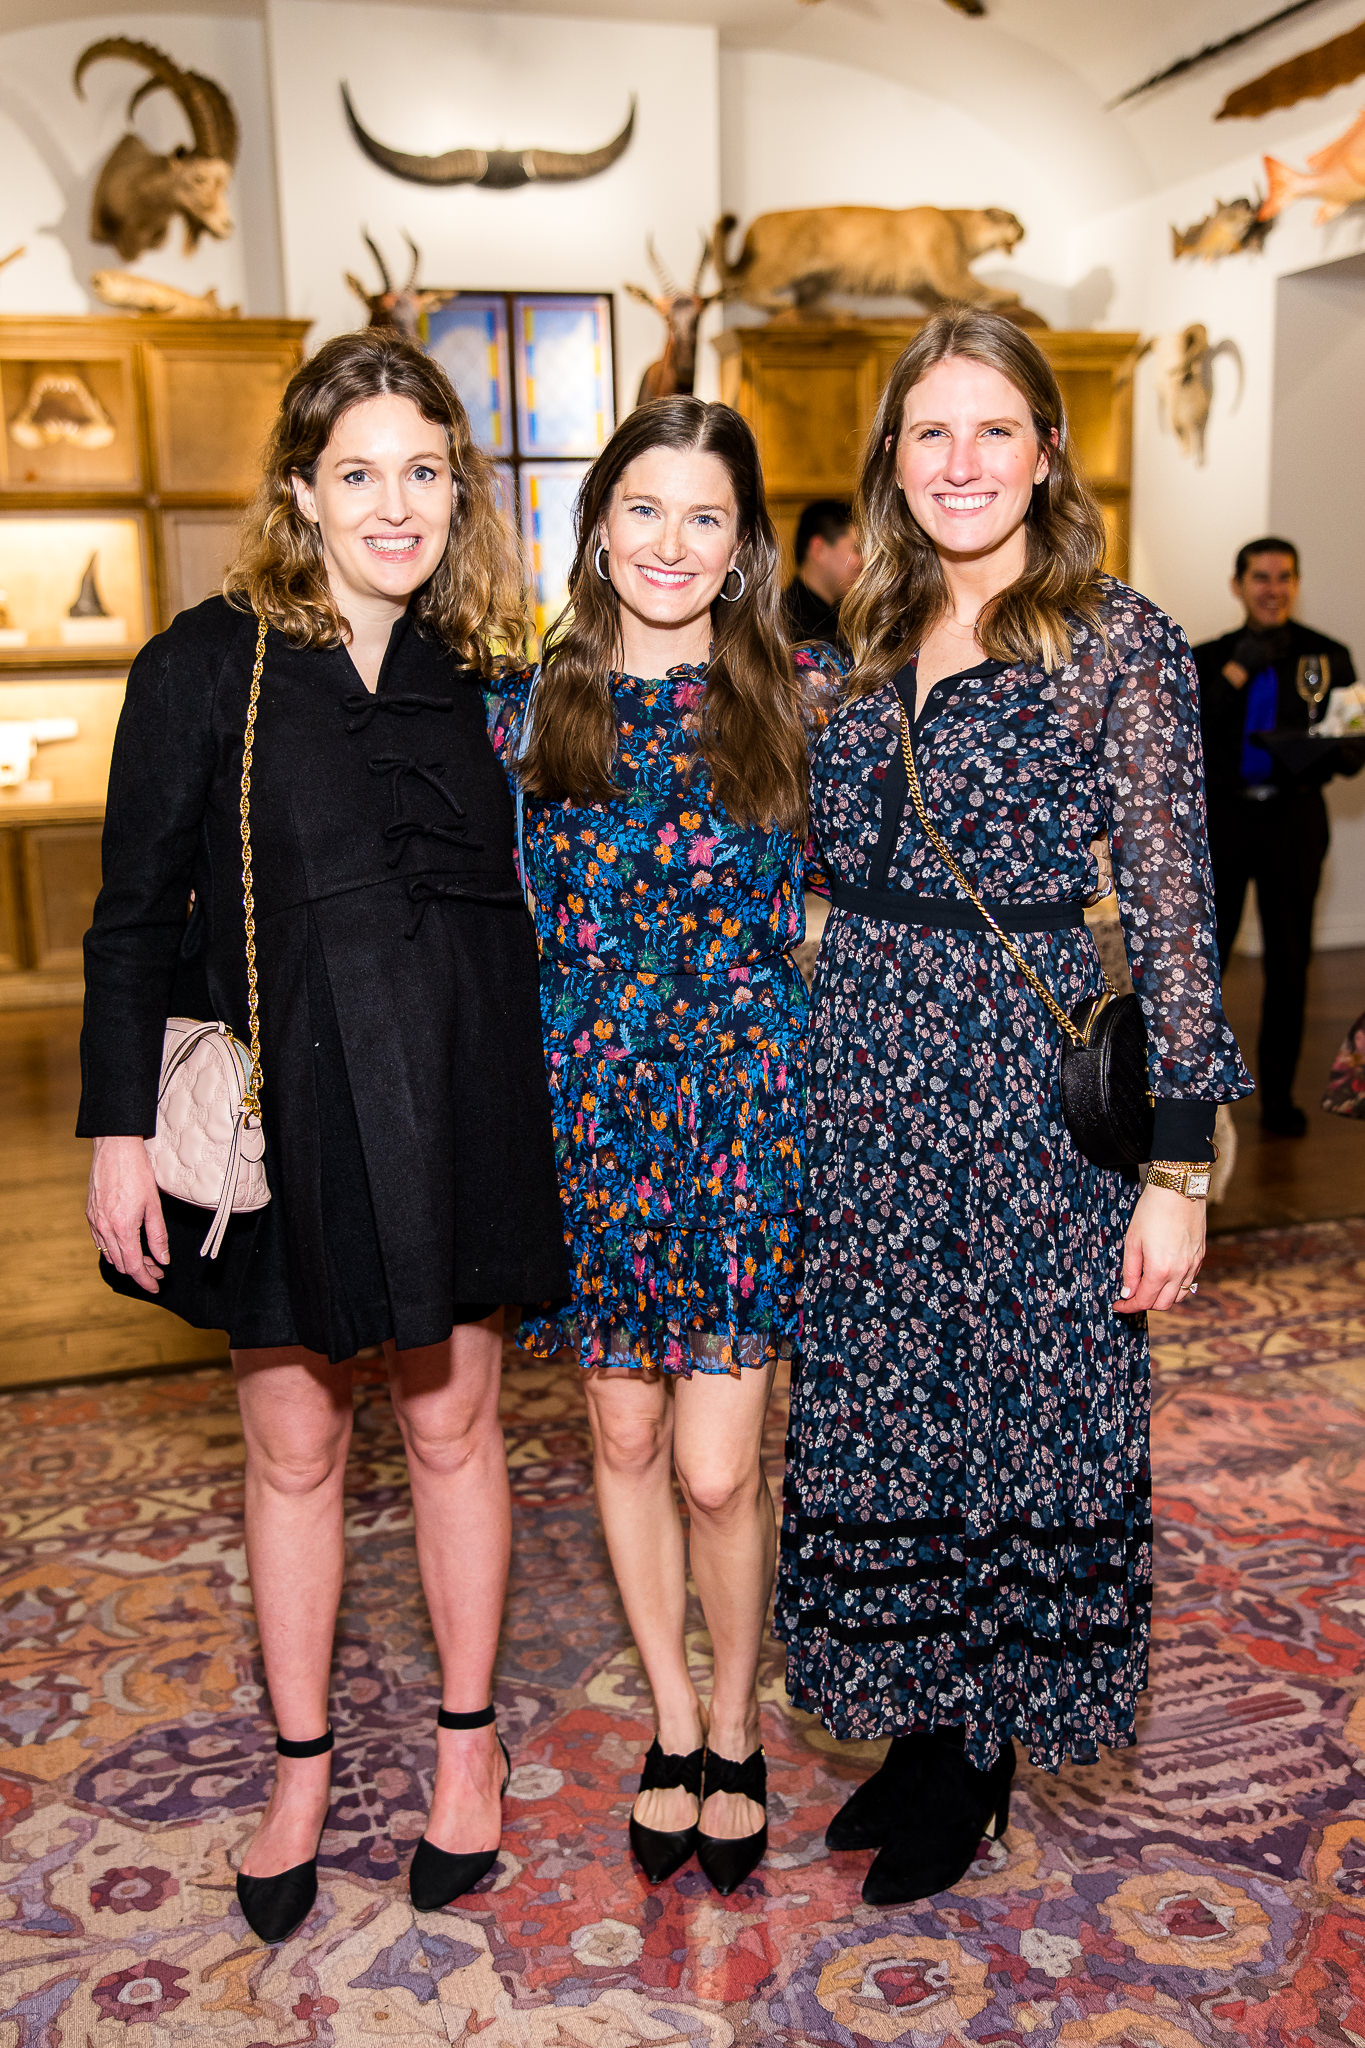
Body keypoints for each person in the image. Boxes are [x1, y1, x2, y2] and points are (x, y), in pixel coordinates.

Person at [79, 330, 569, 1942]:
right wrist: (118, 1131)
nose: (394, 504)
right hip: (286, 1114)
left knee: (454, 1432)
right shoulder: (202, 665)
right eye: (358, 472)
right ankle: (299, 1772)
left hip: (465, 1101)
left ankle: (467, 1750)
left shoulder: (488, 677)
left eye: (423, 472)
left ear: (457, 491)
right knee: (294, 1451)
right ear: (299, 489)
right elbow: (131, 918)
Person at [775, 308, 1252, 1907]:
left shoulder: (1117, 640)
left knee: (1019, 1415)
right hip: (867, 1090)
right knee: (892, 1407)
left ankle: (980, 1754)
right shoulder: (860, 638)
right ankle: (920, 1721)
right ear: (892, 458)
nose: (962, 461)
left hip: (1024, 1100)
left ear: (1047, 452)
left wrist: (1176, 1168)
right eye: (932, 431)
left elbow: (1176, 912)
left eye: (995, 429)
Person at [489, 397, 840, 1895]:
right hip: (589, 1121)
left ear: (746, 544)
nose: (672, 543)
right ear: (598, 525)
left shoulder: (804, 697)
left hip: (746, 1116)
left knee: (714, 1467)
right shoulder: (522, 715)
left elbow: (876, 903)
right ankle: (680, 1726)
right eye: (644, 507)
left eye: (707, 516)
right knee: (624, 1440)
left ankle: (743, 1717)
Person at [1192, 539, 1359, 1137]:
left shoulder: (1327, 656)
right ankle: (1195, 1095)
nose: (1273, 588)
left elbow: (1345, 749)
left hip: (1294, 821)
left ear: (1297, 583)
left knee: (1290, 963)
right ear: (1238, 585)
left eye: (1284, 577)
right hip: (1224, 822)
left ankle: (1280, 1100)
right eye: (1261, 577)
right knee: (1205, 962)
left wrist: (1342, 748)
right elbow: (1186, 734)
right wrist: (1239, 669)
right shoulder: (1209, 657)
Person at [781, 499, 863, 650]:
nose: (864, 563)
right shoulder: (784, 625)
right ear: (819, 549)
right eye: (857, 550)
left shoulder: (845, 618)